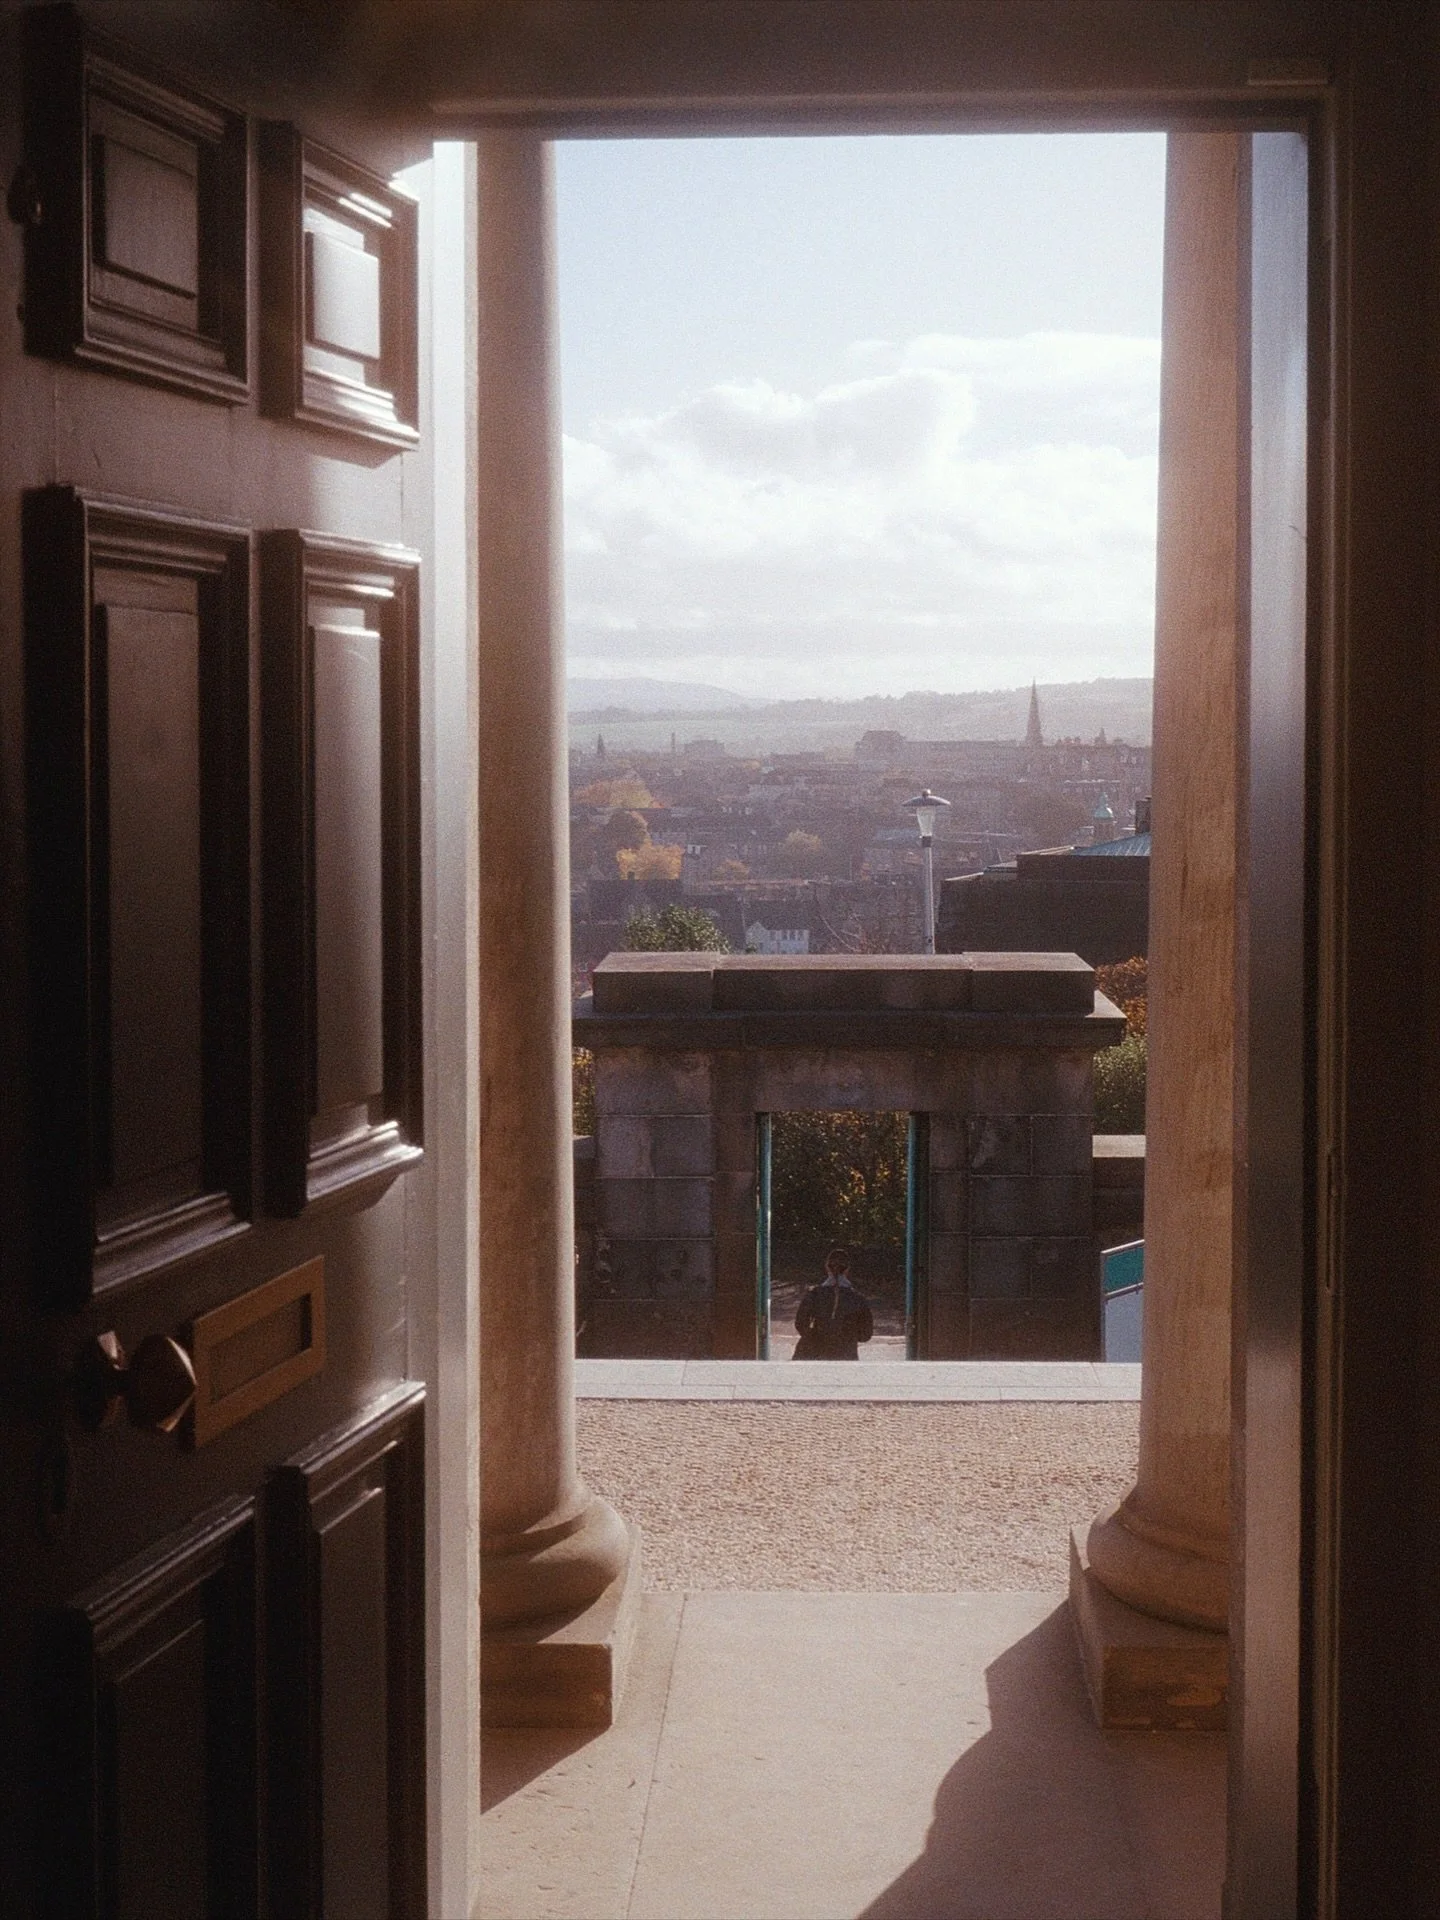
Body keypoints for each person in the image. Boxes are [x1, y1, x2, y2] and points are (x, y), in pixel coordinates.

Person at [793, 1248, 874, 1359]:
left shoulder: (814, 1294)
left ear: (827, 1267)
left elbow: (800, 1323)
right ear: (847, 1269)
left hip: (815, 1352)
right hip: (846, 1353)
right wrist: (849, 1337)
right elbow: (866, 1334)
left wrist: (814, 1336)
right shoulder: (858, 1298)